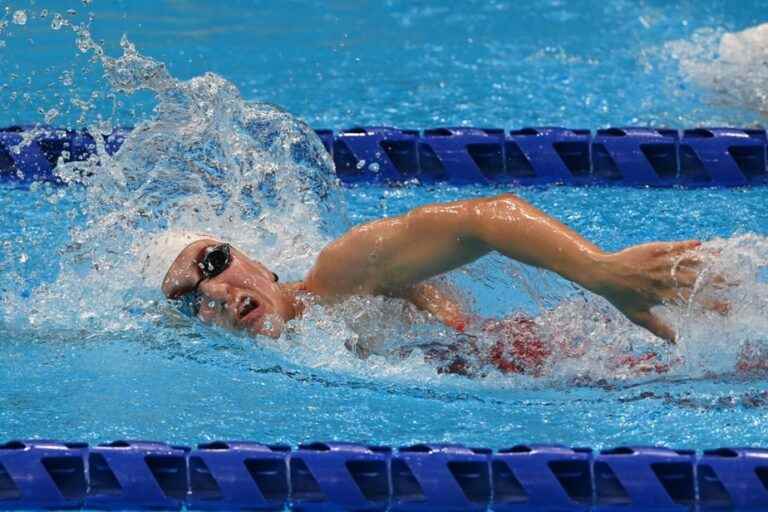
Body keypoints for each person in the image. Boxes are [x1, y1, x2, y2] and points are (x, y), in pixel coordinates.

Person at [161, 193, 704, 373]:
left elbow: (488, 217)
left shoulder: (343, 275)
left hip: (553, 358)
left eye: (213, 262)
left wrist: (601, 272)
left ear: (259, 265)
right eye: (192, 302)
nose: (216, 294)